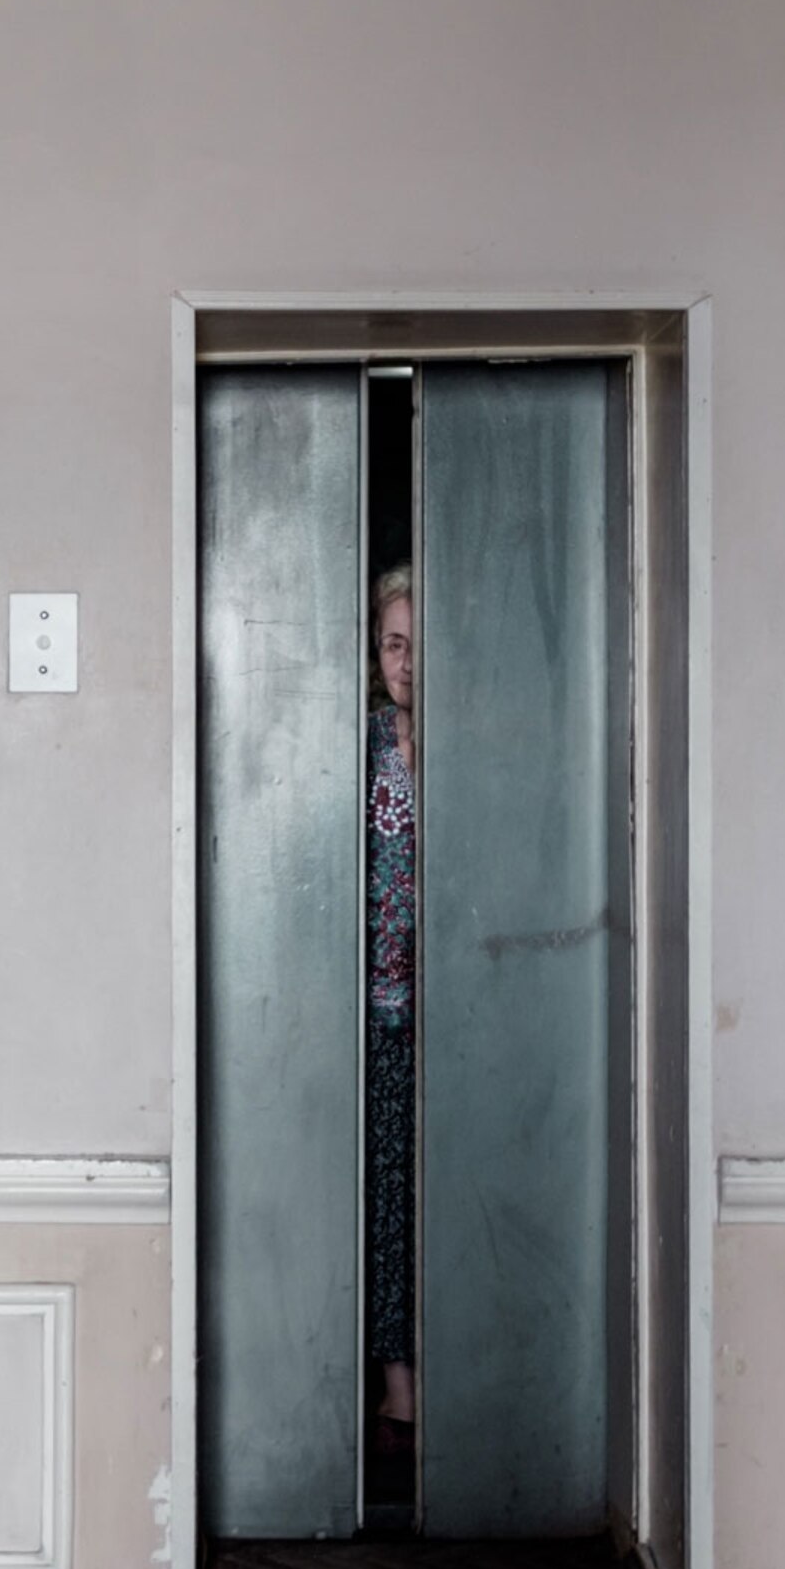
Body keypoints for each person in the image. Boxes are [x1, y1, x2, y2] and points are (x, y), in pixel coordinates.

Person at [366, 562, 419, 1474]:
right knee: (385, 1190)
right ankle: (397, 1381)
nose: (407, 664)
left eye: (419, 645)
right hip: (374, 1007)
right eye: (394, 644)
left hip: (463, 1008)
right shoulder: (359, 742)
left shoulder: (470, 737)